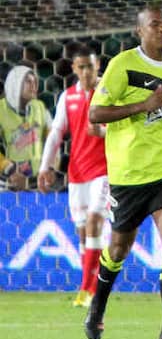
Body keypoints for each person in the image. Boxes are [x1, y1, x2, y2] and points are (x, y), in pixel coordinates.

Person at [83, 5, 162, 339]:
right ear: (139, 30)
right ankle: (97, 305)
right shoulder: (121, 66)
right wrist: (142, 106)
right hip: (129, 175)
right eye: (155, 24)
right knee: (117, 250)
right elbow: (96, 114)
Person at [38, 46, 108, 308]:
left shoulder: (108, 93)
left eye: (90, 66)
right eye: (82, 67)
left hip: (105, 170)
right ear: (74, 69)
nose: (87, 72)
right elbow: (56, 133)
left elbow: (123, 130)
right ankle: (90, 286)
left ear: (97, 65)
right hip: (77, 173)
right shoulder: (68, 97)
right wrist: (45, 167)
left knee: (93, 222)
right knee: (82, 232)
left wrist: (102, 132)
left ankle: (88, 290)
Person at [0, 65, 53, 191]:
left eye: (35, 81)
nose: (34, 86)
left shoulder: (40, 108)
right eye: (28, 81)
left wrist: (50, 168)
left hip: (37, 182)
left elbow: (53, 140)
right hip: (6, 183)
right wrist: (10, 170)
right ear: (15, 83)